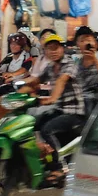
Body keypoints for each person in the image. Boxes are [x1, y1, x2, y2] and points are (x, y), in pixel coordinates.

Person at [21, 33, 85, 183]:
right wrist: (15, 96)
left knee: (47, 129)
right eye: (49, 48)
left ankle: (58, 167)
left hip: (74, 111)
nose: (53, 51)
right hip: (60, 109)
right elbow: (35, 81)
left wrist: (52, 98)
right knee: (33, 123)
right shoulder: (50, 67)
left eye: (56, 47)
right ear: (45, 52)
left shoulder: (69, 64)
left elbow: (61, 81)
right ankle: (42, 157)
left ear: (62, 49)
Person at [74, 28, 98, 113]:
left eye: (88, 40)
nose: (86, 43)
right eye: (82, 41)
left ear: (95, 43)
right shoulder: (77, 62)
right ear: (77, 44)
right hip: (81, 102)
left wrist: (94, 60)